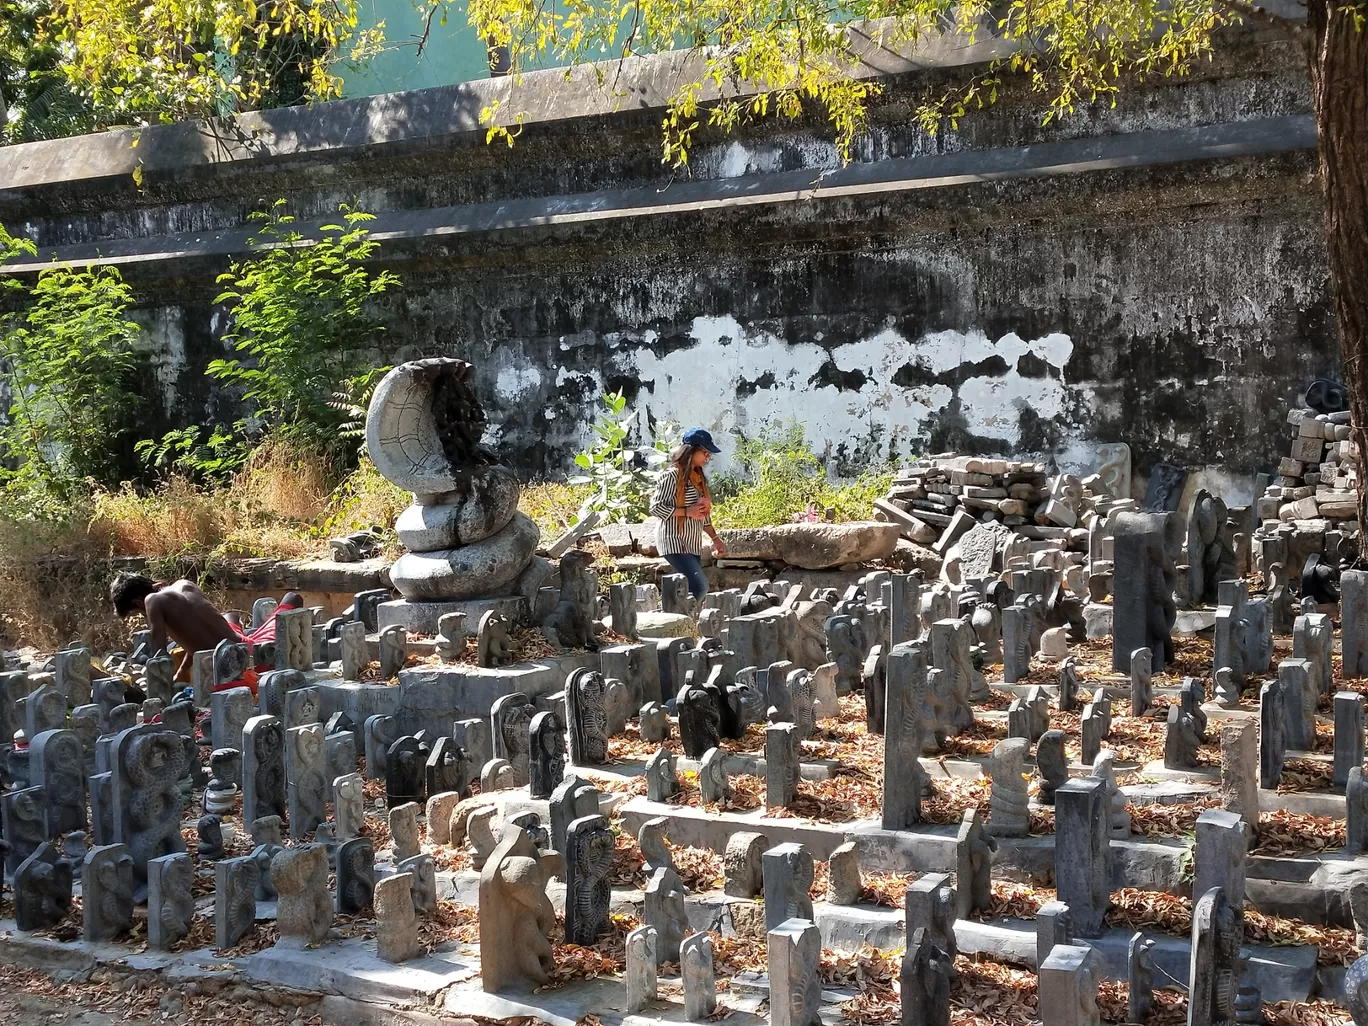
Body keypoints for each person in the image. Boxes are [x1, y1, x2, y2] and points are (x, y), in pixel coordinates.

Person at [109, 573, 263, 692]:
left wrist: (159, 695)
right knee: (228, 618)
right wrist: (183, 670)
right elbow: (197, 635)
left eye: (139, 614)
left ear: (138, 603)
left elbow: (159, 657)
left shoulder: (152, 600)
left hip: (230, 667)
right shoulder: (184, 584)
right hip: (249, 649)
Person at [649, 427, 728, 601]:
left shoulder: (698, 477)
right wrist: (687, 512)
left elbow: (702, 514)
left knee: (686, 590)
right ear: (691, 451)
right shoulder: (672, 476)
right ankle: (676, 623)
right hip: (673, 539)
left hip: (691, 541)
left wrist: (715, 539)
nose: (708, 457)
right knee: (699, 587)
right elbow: (655, 508)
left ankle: (677, 623)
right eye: (705, 452)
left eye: (709, 454)